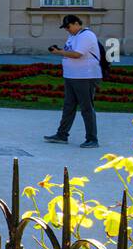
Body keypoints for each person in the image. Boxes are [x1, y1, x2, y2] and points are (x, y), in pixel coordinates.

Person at [44, 14, 102, 149]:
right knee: (68, 106)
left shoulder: (87, 35)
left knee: (86, 108)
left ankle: (92, 139)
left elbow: (77, 54)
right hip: (72, 75)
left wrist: (59, 52)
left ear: (77, 23)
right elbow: (70, 51)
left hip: (85, 76)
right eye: (65, 28)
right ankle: (62, 135)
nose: (67, 29)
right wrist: (61, 51)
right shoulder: (73, 36)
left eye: (68, 26)